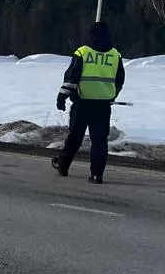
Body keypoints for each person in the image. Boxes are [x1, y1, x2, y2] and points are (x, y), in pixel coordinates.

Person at [51, 21, 125, 184]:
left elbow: (71, 77)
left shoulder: (83, 52)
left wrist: (62, 97)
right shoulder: (115, 55)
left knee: (75, 137)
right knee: (99, 140)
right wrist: (112, 95)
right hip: (103, 105)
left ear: (91, 35)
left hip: (82, 103)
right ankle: (97, 175)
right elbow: (120, 80)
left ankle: (63, 166)